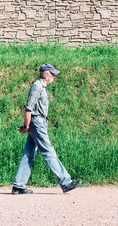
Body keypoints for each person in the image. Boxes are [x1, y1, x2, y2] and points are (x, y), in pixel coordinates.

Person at [12, 63, 81, 194]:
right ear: (45, 74)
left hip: (38, 122)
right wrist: (27, 126)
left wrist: (28, 125)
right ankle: (66, 182)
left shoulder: (41, 87)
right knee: (48, 151)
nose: (53, 77)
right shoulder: (37, 86)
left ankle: (18, 185)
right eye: (52, 74)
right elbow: (28, 108)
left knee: (29, 153)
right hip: (37, 122)